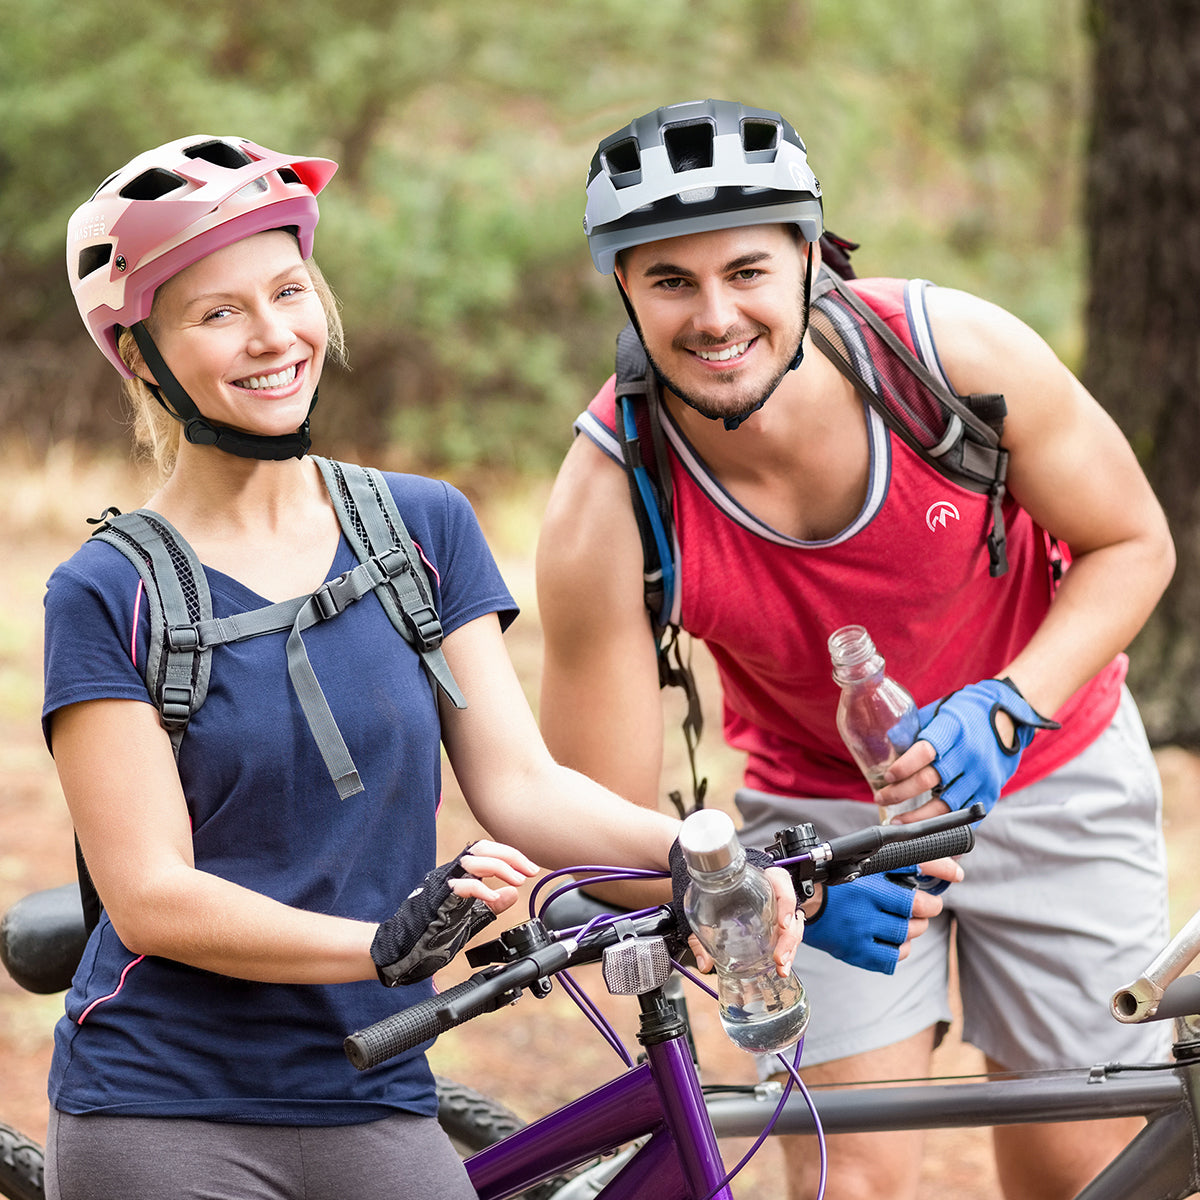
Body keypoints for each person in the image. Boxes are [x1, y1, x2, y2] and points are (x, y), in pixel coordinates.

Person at [45, 133, 806, 1200]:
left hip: (375, 1095)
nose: (276, 336)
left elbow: (520, 786)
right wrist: (383, 945)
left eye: (289, 290)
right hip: (163, 1107)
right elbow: (152, 899)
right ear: (140, 355)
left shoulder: (422, 530)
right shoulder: (102, 592)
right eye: (220, 313)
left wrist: (698, 855)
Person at [535, 99, 1175, 1200]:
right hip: (819, 824)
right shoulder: (610, 501)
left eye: (746, 272)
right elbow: (592, 820)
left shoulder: (949, 357)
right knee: (853, 1177)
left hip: (1054, 763)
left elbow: (1134, 543)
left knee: (1086, 1165)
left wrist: (1007, 705)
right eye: (670, 283)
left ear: (806, 259)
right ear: (625, 292)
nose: (715, 316)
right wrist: (775, 890)